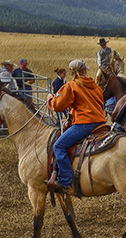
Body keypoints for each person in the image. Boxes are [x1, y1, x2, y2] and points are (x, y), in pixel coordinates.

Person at [46, 59, 107, 194]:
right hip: (101, 123)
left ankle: (65, 181)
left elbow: (58, 106)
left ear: (72, 72)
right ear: (84, 70)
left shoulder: (71, 86)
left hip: (84, 124)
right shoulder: (96, 86)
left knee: (58, 146)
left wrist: (50, 99)